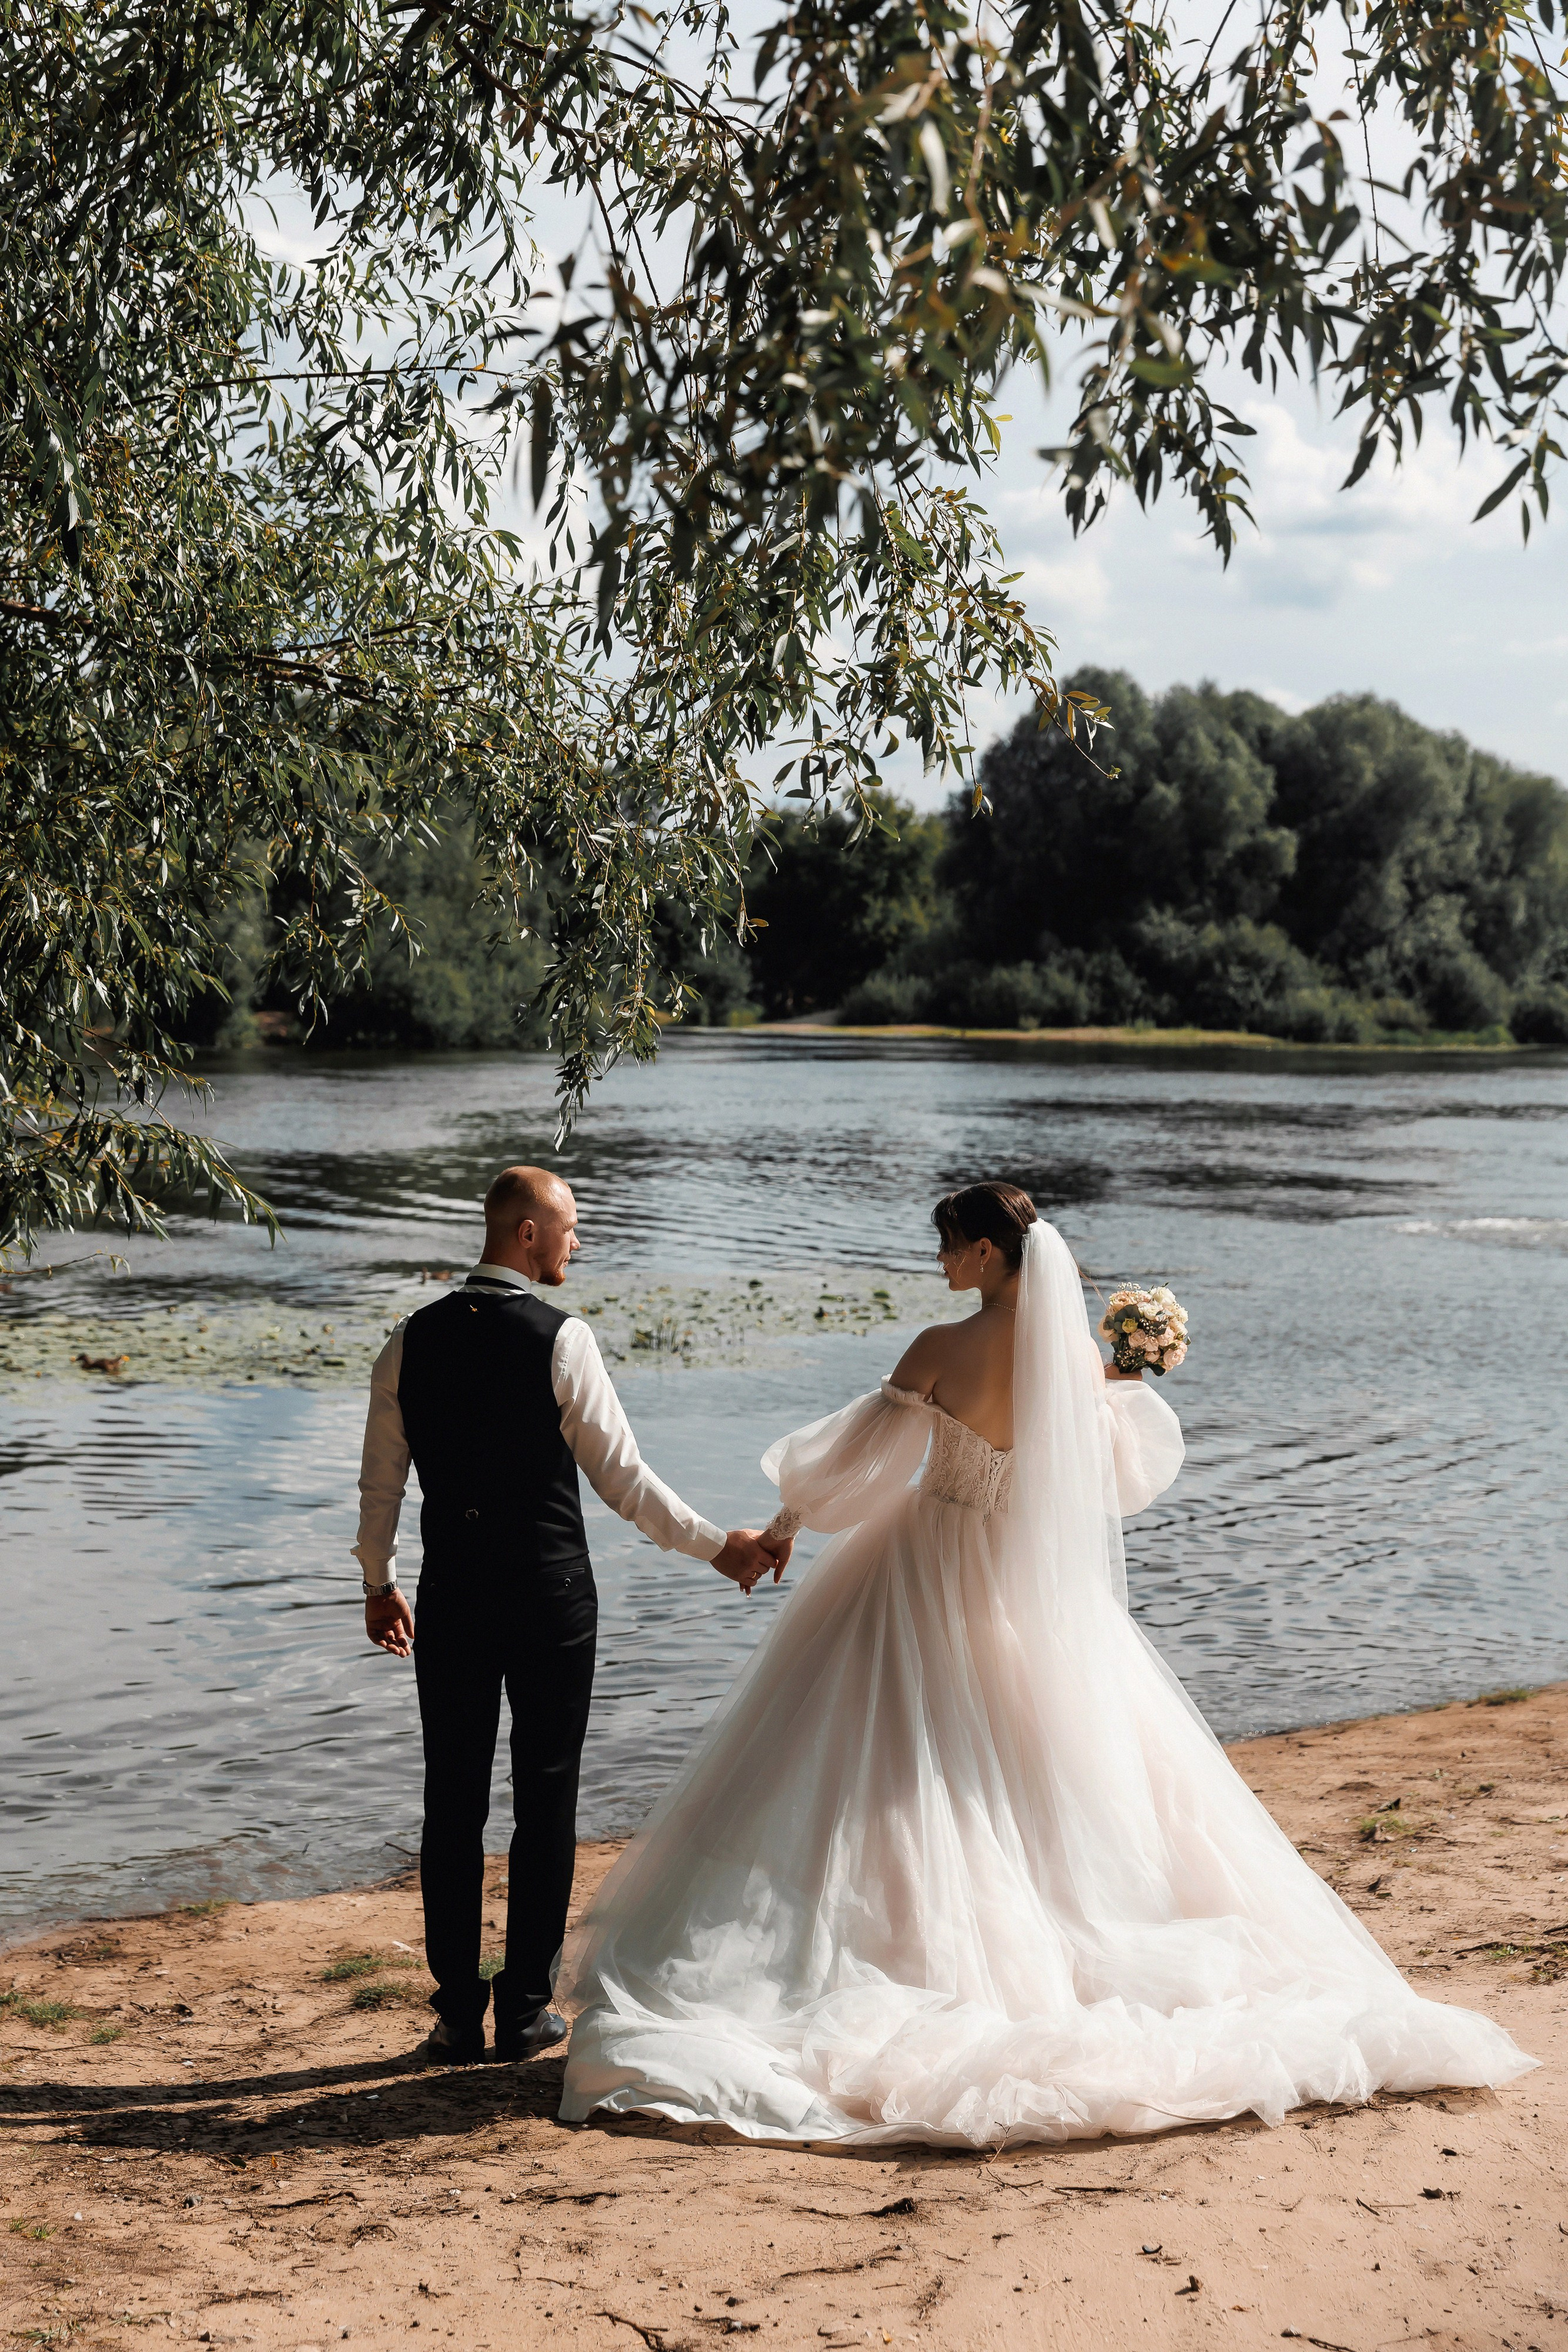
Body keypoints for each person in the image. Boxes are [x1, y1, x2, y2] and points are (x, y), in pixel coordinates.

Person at [558, 1182, 1534, 2144]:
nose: (938, 1261)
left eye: (947, 1244)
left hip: (931, 1560)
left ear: (986, 1252)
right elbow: (1114, 1475)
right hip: (1031, 1585)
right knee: (1030, 1758)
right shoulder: (1079, 1356)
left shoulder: (941, 1349)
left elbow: (858, 1459)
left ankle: (893, 1939)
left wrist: (778, 1531)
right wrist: (1131, 1371)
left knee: (896, 1758)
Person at [354, 1164, 781, 2065]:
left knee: (452, 1798)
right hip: (549, 1597)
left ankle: (456, 2014)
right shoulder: (563, 1339)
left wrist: (379, 1582)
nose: (577, 1242)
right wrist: (719, 1546)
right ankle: (524, 2012)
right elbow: (624, 1483)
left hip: (456, 1599)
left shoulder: (406, 1341)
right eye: (569, 1226)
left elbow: (380, 1483)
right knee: (546, 1796)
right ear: (527, 1235)